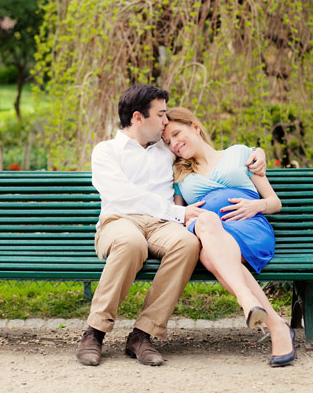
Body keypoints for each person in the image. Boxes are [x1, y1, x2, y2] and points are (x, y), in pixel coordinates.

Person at [76, 84, 266, 367]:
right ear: (139, 117)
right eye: (161, 114)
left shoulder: (166, 151)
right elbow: (122, 197)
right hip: (119, 222)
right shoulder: (106, 151)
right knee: (131, 242)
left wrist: (256, 152)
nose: (166, 121)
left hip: (162, 225)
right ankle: (95, 331)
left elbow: (209, 152)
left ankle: (143, 335)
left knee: (187, 243)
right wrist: (177, 212)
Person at [162, 107, 296, 367]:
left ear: (195, 127)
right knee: (206, 221)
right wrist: (186, 216)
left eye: (177, 134)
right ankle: (271, 321)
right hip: (207, 231)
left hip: (249, 228)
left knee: (210, 255)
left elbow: (274, 202)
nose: (174, 144)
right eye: (167, 142)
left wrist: (256, 205)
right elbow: (180, 217)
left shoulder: (240, 154)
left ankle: (255, 307)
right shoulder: (178, 175)